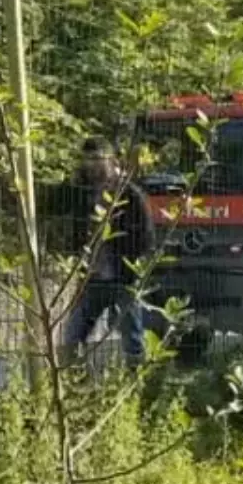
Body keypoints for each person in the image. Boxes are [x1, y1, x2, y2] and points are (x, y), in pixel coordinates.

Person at [63, 137, 156, 366]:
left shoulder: (130, 195)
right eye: (86, 160)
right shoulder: (82, 193)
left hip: (122, 279)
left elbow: (146, 238)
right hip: (92, 278)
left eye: (96, 159)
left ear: (111, 160)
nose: (90, 165)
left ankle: (136, 385)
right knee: (72, 336)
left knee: (132, 338)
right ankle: (74, 386)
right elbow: (75, 230)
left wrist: (131, 269)